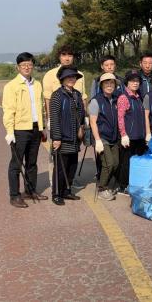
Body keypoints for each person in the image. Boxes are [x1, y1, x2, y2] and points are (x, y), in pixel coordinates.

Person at [2, 52, 48, 208]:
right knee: (16, 164)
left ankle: (30, 190)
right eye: (23, 65)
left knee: (32, 163)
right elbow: (8, 110)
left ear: (33, 66)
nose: (27, 67)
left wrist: (42, 127)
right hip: (20, 130)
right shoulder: (11, 86)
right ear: (18, 67)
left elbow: (41, 108)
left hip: (35, 128)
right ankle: (14, 195)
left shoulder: (37, 84)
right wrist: (10, 131)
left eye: (29, 64)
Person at [42, 44, 87, 186]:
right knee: (58, 152)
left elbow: (83, 97)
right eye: (64, 55)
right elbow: (48, 98)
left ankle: (68, 182)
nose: (67, 58)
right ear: (59, 57)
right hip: (59, 121)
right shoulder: (50, 75)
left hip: (75, 121)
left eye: (70, 55)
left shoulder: (80, 75)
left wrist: (83, 119)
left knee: (73, 152)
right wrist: (49, 119)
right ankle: (55, 181)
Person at [49, 66, 86, 205]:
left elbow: (81, 113)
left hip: (75, 138)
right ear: (62, 79)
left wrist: (82, 126)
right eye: (68, 77)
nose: (71, 79)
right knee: (60, 168)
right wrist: (56, 138)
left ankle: (66, 191)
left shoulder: (77, 94)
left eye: (73, 77)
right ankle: (56, 194)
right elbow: (54, 118)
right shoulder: (57, 95)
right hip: (63, 138)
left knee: (72, 166)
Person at [88, 73, 120, 201]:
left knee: (116, 163)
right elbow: (92, 122)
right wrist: (97, 140)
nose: (109, 86)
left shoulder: (116, 99)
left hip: (114, 137)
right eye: (106, 83)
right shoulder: (96, 101)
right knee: (108, 163)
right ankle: (102, 188)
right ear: (101, 85)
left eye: (112, 83)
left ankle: (107, 185)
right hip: (102, 137)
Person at [117, 70, 147, 194]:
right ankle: (123, 186)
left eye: (137, 81)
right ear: (127, 83)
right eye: (132, 81)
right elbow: (120, 117)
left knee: (137, 162)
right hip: (129, 137)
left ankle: (134, 183)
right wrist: (123, 134)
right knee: (126, 163)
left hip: (139, 136)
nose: (135, 83)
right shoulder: (123, 97)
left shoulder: (139, 97)